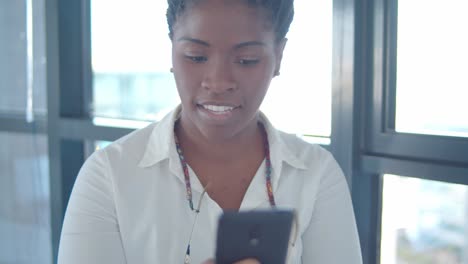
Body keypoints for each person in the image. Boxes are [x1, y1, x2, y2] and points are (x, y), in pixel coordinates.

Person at [57, 0, 363, 263]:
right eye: (196, 56)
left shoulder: (317, 176)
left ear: (279, 56)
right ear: (172, 50)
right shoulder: (108, 176)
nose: (218, 82)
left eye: (246, 60)